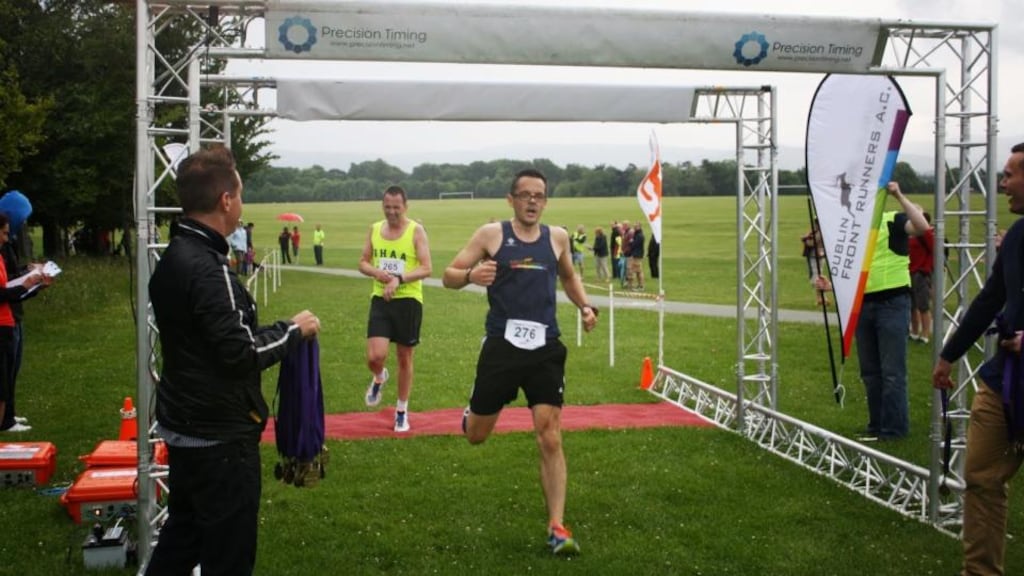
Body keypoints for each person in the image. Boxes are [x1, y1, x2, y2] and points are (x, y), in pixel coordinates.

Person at [146, 145, 320, 575]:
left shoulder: (175, 255)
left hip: (187, 427)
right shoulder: (208, 267)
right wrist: (293, 331)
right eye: (239, 194)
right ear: (226, 200)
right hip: (218, 438)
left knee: (182, 538)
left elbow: (215, 341)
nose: (242, 204)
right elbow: (239, 354)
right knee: (228, 552)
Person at [441, 168, 598, 556]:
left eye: (539, 195)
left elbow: (569, 277)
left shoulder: (557, 237)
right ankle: (471, 413)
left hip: (545, 346)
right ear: (510, 200)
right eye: (524, 195)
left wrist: (585, 306)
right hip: (502, 347)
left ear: (546, 201)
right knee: (477, 435)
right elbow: (448, 275)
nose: (532, 201)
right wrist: (471, 276)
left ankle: (557, 527)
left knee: (550, 433)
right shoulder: (491, 234)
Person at [932, 143, 1024, 576]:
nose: (1002, 183)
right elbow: (989, 302)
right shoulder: (1018, 238)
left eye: (1010, 174)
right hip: (1003, 382)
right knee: (982, 479)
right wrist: (949, 355)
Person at [856, 181, 929, 442]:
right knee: (870, 371)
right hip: (863, 304)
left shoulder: (894, 219)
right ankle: (876, 425)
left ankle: (894, 429)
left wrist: (899, 194)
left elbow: (921, 226)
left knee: (892, 371)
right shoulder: (857, 228)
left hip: (892, 303)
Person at [357, 186, 432, 433]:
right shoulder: (375, 229)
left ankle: (401, 411)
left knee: (404, 357)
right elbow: (362, 262)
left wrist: (398, 279)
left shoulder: (415, 231)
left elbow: (426, 268)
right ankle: (379, 376)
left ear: (405, 206)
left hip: (408, 300)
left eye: (396, 207)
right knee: (375, 356)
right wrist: (377, 272)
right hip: (381, 299)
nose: (391, 212)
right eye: (387, 207)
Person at [0, 219, 51, 433]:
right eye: (3, 233)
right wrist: (24, 284)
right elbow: (3, 293)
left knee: (6, 379)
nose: (6, 239)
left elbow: (11, 291)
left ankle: (6, 419)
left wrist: (35, 285)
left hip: (7, 323)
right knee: (1, 384)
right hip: (1, 326)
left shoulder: (1, 257)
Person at [908, 209, 935, 344]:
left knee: (923, 305)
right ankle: (914, 331)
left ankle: (925, 334)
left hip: (921, 273)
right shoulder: (911, 235)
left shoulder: (927, 235)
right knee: (912, 306)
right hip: (910, 272)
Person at [627, 222, 645, 291]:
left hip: (637, 255)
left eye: (636, 227)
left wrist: (631, 242)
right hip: (636, 254)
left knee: (636, 271)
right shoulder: (637, 234)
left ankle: (639, 286)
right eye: (634, 226)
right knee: (638, 271)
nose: (634, 228)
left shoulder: (640, 235)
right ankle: (640, 286)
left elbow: (634, 244)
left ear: (640, 227)